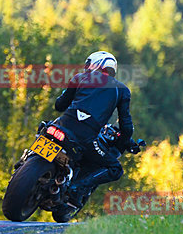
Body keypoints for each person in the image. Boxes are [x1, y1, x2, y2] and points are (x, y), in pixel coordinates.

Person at [53, 51, 135, 207]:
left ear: (98, 64)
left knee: (44, 129)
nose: (86, 68)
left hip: (61, 126)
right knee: (115, 168)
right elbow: (126, 125)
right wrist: (125, 141)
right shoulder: (121, 90)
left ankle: (25, 161)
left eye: (88, 64)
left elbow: (59, 105)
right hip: (86, 139)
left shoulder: (78, 78)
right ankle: (77, 188)